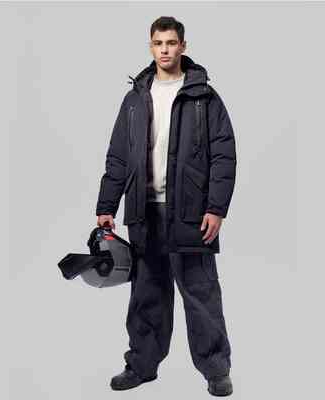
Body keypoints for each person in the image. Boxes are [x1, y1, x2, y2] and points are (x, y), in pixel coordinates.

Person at [95, 16, 237, 396]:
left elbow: (223, 156)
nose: (165, 50)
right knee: (146, 293)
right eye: (158, 43)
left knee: (201, 293)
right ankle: (141, 365)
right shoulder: (134, 99)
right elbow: (118, 156)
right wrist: (107, 205)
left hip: (191, 213)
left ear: (183, 46)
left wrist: (216, 208)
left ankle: (216, 370)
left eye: (171, 43)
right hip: (144, 211)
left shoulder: (204, 98)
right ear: (151, 46)